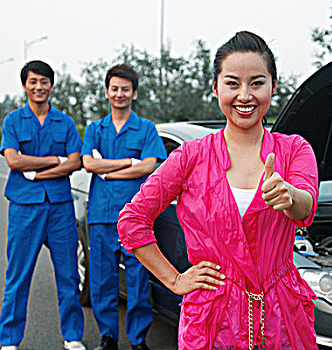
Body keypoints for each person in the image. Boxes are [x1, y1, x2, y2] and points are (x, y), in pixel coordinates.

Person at [118, 31, 319, 350]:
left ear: (273, 86)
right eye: (232, 83)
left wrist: (290, 196)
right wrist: (175, 279)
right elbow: (132, 220)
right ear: (215, 88)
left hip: (282, 315)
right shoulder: (190, 157)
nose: (245, 95)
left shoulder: (294, 150)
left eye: (256, 82)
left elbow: (307, 207)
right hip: (213, 320)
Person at [0, 60, 85, 350]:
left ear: (51, 85)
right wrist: (52, 160)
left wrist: (36, 171)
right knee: (18, 275)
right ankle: (10, 340)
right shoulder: (13, 121)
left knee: (69, 274)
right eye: (33, 81)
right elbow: (14, 160)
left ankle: (72, 337)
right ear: (25, 85)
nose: (39, 87)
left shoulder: (65, 122)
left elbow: (74, 161)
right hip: (25, 207)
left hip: (60, 207)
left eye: (44, 81)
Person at [81, 63, 167, 350]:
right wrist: (128, 163)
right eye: (115, 89)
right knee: (103, 280)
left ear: (134, 93)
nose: (120, 94)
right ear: (107, 92)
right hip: (102, 216)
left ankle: (138, 340)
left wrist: (107, 171)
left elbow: (149, 166)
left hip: (136, 217)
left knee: (138, 281)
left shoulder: (145, 129)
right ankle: (108, 338)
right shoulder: (95, 129)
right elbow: (88, 163)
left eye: (125, 89)